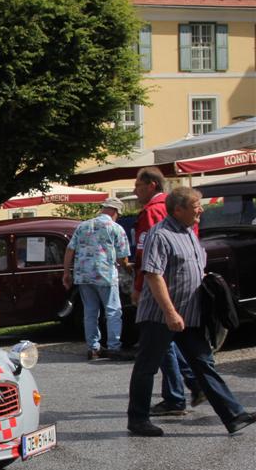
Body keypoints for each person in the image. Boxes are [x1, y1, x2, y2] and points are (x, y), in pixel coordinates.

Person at [127, 187, 253, 437]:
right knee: (147, 367)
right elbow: (153, 275)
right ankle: (138, 419)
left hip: (190, 315)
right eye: (196, 206)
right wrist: (170, 313)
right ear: (178, 209)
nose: (201, 210)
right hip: (161, 315)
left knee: (204, 364)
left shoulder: (188, 233)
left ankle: (234, 415)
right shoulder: (159, 234)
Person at [133, 167, 204, 414]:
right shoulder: (177, 206)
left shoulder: (154, 212)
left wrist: (139, 287)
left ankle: (175, 396)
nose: (135, 190)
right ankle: (193, 386)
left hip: (164, 294)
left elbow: (150, 260)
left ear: (152, 185)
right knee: (176, 345)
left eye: (138, 186)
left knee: (159, 348)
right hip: (183, 291)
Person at [62, 198, 132, 361]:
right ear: (116, 212)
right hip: (105, 274)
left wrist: (66, 272)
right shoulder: (116, 228)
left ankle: (93, 348)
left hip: (83, 275)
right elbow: (123, 258)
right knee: (113, 311)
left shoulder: (82, 226)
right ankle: (114, 347)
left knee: (90, 312)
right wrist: (129, 267)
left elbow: (69, 250)